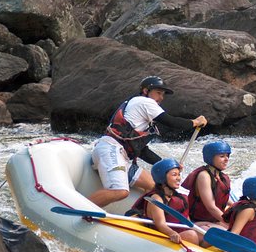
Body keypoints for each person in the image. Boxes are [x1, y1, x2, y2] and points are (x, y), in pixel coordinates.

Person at [89, 75, 208, 207]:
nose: (161, 98)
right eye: (158, 93)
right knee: (120, 191)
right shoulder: (144, 102)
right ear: (146, 91)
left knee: (154, 186)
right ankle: (81, 209)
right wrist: (195, 122)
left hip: (121, 156)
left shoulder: (140, 116)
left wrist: (168, 166)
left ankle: (140, 215)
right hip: (111, 149)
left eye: (163, 94)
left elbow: (141, 151)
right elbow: (171, 122)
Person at [130, 158, 199, 245]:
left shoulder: (180, 197)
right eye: (174, 175)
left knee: (204, 230)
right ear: (162, 178)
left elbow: (188, 221)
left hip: (179, 231)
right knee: (191, 235)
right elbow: (161, 224)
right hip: (163, 236)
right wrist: (172, 233)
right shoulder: (156, 199)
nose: (178, 178)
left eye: (179, 175)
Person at [181, 140, 232, 227]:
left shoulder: (221, 177)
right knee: (229, 230)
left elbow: (224, 199)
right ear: (210, 157)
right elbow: (211, 207)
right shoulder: (204, 176)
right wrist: (229, 223)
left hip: (214, 220)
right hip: (197, 222)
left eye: (227, 156)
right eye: (222, 156)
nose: (226, 159)